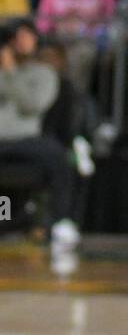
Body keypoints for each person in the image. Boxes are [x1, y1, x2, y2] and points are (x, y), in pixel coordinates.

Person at [0, 17, 79, 253]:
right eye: (18, 37)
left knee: (56, 155)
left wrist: (11, 72)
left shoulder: (43, 74)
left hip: (26, 140)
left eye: (28, 36)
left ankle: (60, 222)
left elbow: (32, 104)